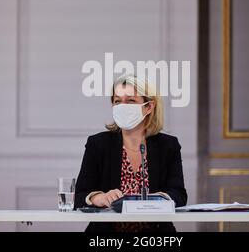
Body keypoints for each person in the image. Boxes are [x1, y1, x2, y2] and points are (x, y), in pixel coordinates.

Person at [74, 74, 187, 232]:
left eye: (131, 101)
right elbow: (80, 196)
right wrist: (99, 197)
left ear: (148, 107)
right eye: (117, 101)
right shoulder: (98, 144)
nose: (122, 106)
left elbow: (179, 195)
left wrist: (160, 199)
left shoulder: (168, 145)